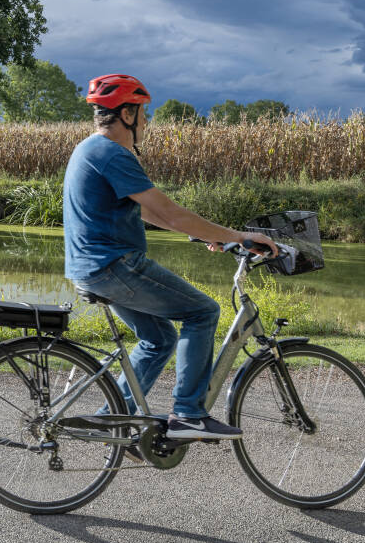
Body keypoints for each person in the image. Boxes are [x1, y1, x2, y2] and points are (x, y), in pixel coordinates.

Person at [62, 73, 277, 441]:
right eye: (144, 113)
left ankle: (113, 420)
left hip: (91, 269)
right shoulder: (114, 154)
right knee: (203, 312)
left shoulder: (89, 149)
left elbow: (150, 213)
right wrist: (240, 236)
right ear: (127, 114)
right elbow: (171, 212)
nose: (147, 121)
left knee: (159, 339)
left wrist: (206, 234)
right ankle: (188, 415)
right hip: (115, 266)